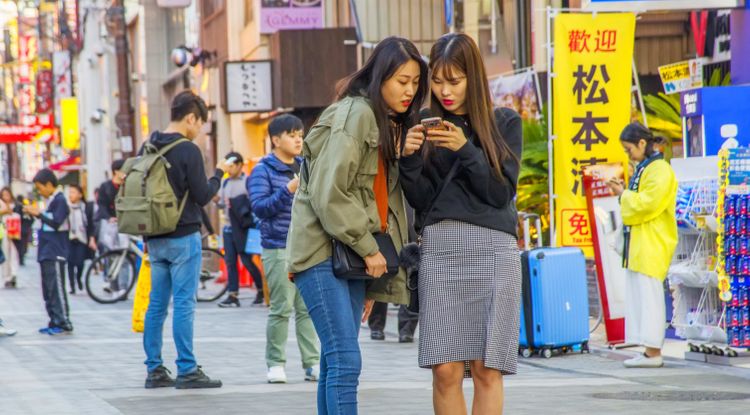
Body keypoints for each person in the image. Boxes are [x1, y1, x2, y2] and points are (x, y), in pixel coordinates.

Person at [286, 36, 427, 414]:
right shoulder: (356, 114)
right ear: (380, 76)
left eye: (415, 82)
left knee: (336, 361)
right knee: (346, 360)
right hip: (323, 253)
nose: (409, 91)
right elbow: (330, 193)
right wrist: (367, 249)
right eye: (401, 81)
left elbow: (375, 200)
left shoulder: (379, 122)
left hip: (346, 257)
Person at [399, 33, 523, 414]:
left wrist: (466, 150)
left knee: (487, 369)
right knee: (445, 369)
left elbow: (499, 194)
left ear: (474, 76)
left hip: (494, 252)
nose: (444, 90)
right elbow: (420, 201)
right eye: (436, 80)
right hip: (441, 250)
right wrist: (407, 158)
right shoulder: (424, 124)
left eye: (454, 81)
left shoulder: (504, 122)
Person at [141, 90, 224, 390]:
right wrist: (219, 175)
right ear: (191, 117)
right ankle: (187, 369)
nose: (199, 129)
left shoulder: (148, 145)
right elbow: (203, 196)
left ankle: (154, 370)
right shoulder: (188, 150)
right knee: (185, 305)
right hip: (184, 236)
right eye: (199, 123)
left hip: (155, 237)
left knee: (157, 305)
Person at [249, 114, 320, 384]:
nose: (299, 139)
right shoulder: (262, 170)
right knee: (281, 308)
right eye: (292, 135)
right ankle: (275, 364)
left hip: (307, 247)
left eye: (300, 134)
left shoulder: (305, 165)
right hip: (278, 246)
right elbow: (260, 208)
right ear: (276, 140)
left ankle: (312, 363)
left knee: (307, 309)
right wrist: (288, 190)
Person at [606, 122, 678, 369]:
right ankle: (648, 351)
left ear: (642, 143)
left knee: (649, 298)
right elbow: (640, 201)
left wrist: (622, 194)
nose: (628, 154)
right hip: (641, 243)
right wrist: (623, 192)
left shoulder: (659, 170)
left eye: (629, 149)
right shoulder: (647, 168)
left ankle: (653, 351)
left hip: (651, 242)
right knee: (641, 297)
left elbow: (647, 204)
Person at [23, 169, 73, 335]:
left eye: (40, 187)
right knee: (48, 289)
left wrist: (38, 213)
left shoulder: (60, 200)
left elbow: (56, 222)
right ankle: (53, 320)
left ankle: (63, 322)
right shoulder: (51, 201)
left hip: (56, 251)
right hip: (46, 251)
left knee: (57, 288)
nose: (40, 191)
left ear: (49, 184)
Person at [214, 152, 265, 308]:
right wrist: (217, 201)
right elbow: (222, 205)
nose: (228, 169)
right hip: (228, 228)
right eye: (227, 166)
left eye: (231, 166)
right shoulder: (225, 183)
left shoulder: (248, 182)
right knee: (230, 262)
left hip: (244, 228)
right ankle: (233, 295)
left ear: (239, 165)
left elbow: (254, 204)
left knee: (247, 261)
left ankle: (261, 290)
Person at [67, 184, 97, 295]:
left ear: (80, 195)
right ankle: (72, 286)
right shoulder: (66, 207)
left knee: (80, 262)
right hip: (69, 239)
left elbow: (91, 225)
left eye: (73, 192)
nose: (71, 195)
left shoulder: (86, 207)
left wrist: (92, 238)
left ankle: (78, 278)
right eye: (70, 192)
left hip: (82, 238)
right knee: (70, 263)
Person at [96, 159, 126, 252]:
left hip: (126, 224)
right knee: (109, 250)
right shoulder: (105, 187)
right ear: (116, 171)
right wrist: (109, 217)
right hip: (110, 225)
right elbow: (101, 204)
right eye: (124, 169)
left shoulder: (127, 186)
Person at [0, 187, 20, 288]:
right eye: (3, 195)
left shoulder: (16, 205)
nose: (5, 197)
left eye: (7, 194)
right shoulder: (1, 205)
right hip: (3, 234)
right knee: (6, 255)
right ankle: (7, 277)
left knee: (14, 255)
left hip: (14, 234)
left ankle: (13, 275)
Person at [15, 195, 34, 266]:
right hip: (24, 229)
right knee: (22, 245)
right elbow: (31, 219)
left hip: (19, 229)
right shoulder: (23, 206)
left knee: (20, 245)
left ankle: (20, 258)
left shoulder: (19, 207)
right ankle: (21, 259)